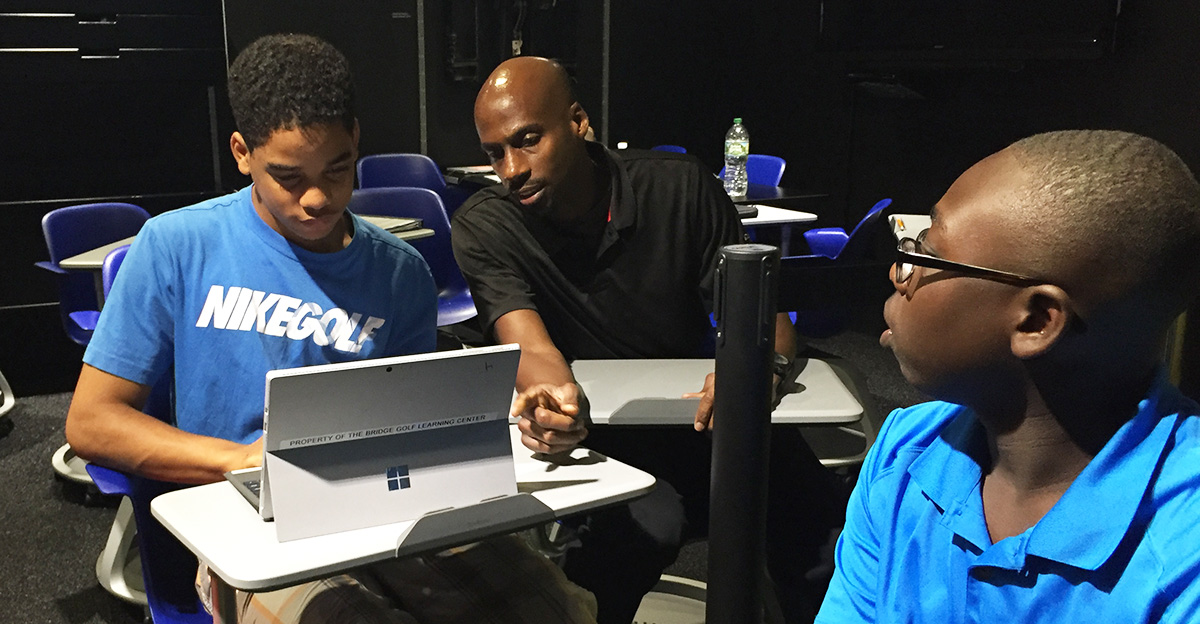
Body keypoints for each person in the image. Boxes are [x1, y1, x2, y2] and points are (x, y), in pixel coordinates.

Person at [66, 34, 596, 623]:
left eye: (337, 169)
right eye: (288, 176)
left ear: (357, 141)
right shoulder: (176, 246)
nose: (317, 198)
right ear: (242, 152)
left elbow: (412, 424)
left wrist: (498, 415)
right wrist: (240, 459)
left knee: (554, 610)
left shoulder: (399, 272)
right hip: (251, 528)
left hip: (388, 502)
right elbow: (92, 422)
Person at [451, 55, 850, 623]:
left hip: (720, 421)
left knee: (823, 539)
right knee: (618, 555)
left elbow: (770, 322)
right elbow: (531, 346)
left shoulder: (680, 189)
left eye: (528, 140)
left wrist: (758, 374)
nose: (511, 168)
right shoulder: (486, 225)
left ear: (579, 121)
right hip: (610, 438)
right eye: (496, 154)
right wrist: (556, 401)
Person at [816, 130, 1200, 622]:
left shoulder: (1182, 555)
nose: (899, 273)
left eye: (926, 252)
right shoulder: (903, 450)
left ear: (1036, 320)